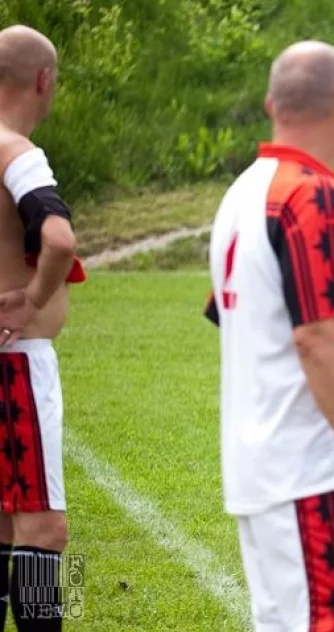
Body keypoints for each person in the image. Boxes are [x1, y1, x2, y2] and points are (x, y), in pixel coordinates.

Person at [206, 41, 334, 632]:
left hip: (269, 466)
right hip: (317, 474)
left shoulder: (243, 193)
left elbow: (242, 318)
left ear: (272, 103)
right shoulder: (309, 195)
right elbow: (315, 336)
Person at [0, 25, 85, 631]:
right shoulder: (18, 151)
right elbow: (58, 236)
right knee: (45, 526)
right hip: (18, 362)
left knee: (4, 522)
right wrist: (32, 297)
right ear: (44, 81)